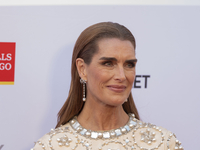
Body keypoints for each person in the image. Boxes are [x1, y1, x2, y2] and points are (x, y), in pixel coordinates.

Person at [31, 22, 183, 150]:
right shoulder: (50, 146)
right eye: (108, 63)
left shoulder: (162, 143)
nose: (121, 76)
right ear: (82, 69)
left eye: (129, 64)